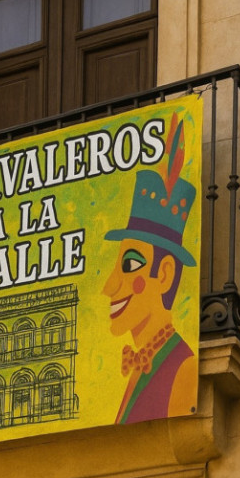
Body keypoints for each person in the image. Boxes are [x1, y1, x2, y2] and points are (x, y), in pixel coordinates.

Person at [103, 161, 198, 425]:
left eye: (130, 264)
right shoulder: (140, 363)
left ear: (164, 275)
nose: (108, 286)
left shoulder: (183, 367)